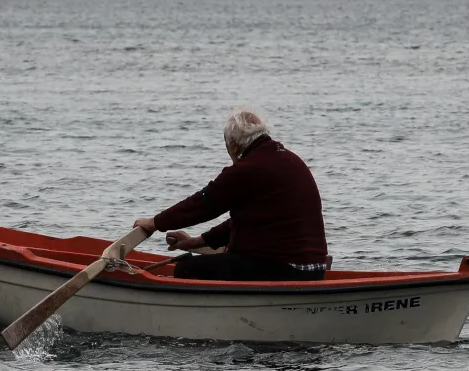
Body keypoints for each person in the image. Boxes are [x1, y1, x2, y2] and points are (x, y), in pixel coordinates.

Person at [133, 108, 328, 281]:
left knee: (187, 268)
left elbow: (202, 204)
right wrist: (196, 242)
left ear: (234, 145)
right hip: (313, 268)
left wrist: (155, 223)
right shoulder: (290, 159)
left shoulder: (247, 169)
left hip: (284, 269)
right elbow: (247, 220)